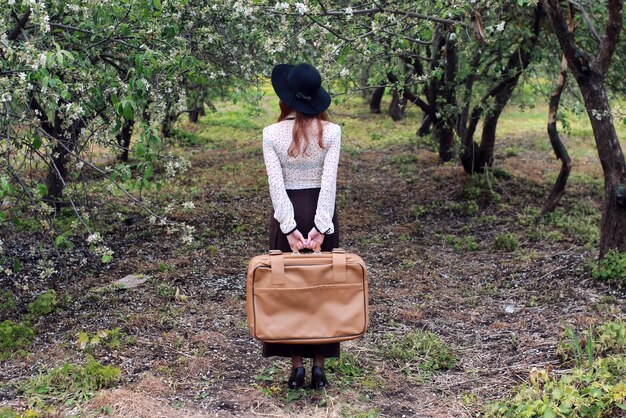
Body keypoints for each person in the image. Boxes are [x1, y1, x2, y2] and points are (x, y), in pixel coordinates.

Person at [261, 63, 342, 390]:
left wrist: (290, 227)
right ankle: (318, 367)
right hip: (322, 214)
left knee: (290, 290)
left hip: (288, 218)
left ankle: (296, 368)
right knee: (321, 288)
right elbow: (330, 184)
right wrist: (321, 227)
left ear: (287, 98)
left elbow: (275, 186)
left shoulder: (271, 134)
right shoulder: (332, 132)